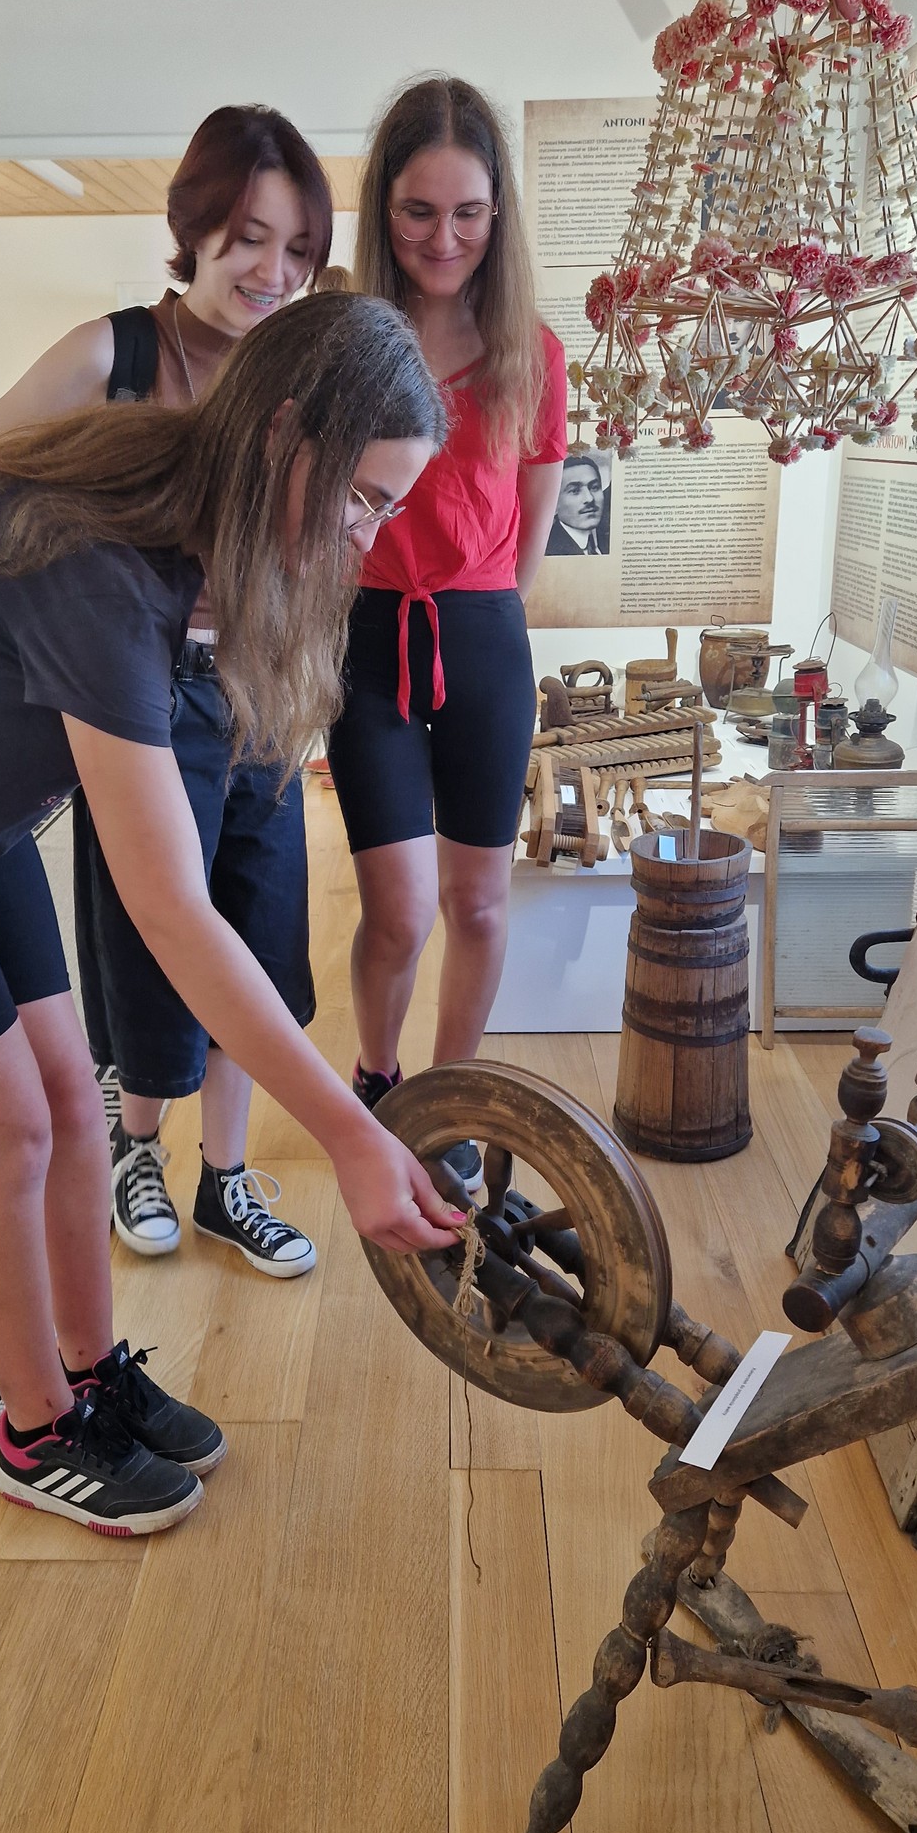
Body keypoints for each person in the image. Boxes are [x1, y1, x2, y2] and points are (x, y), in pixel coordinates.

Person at [0, 294, 463, 1539]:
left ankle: (91, 1374)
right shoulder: (99, 562)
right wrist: (349, 1131)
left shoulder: (196, 514)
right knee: (7, 1132)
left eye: (389, 508)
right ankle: (34, 1430)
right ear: (284, 438)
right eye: (365, 498)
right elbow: (171, 912)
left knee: (70, 1098)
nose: (367, 538)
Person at [0, 107, 333, 1279]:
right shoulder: (109, 356)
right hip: (141, 699)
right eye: (248, 238)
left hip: (261, 686)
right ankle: (138, 1150)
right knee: (155, 934)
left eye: (297, 249)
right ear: (194, 226)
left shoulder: (293, 375)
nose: (272, 272)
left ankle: (226, 1179)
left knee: (257, 933)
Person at [327, 78, 568, 1190]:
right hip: (368, 635)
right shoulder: (347, 348)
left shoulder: (533, 353)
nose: (444, 237)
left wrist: (486, 618)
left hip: (480, 638)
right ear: (384, 209)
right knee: (398, 908)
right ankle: (380, 1080)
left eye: (468, 212)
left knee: (476, 898)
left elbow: (533, 523)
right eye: (419, 211)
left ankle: (454, 1096)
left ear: (497, 211)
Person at [545, 451, 611, 556]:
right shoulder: (547, 549)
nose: (589, 499)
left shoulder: (608, 537)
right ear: (555, 502)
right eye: (575, 491)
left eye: (594, 487)